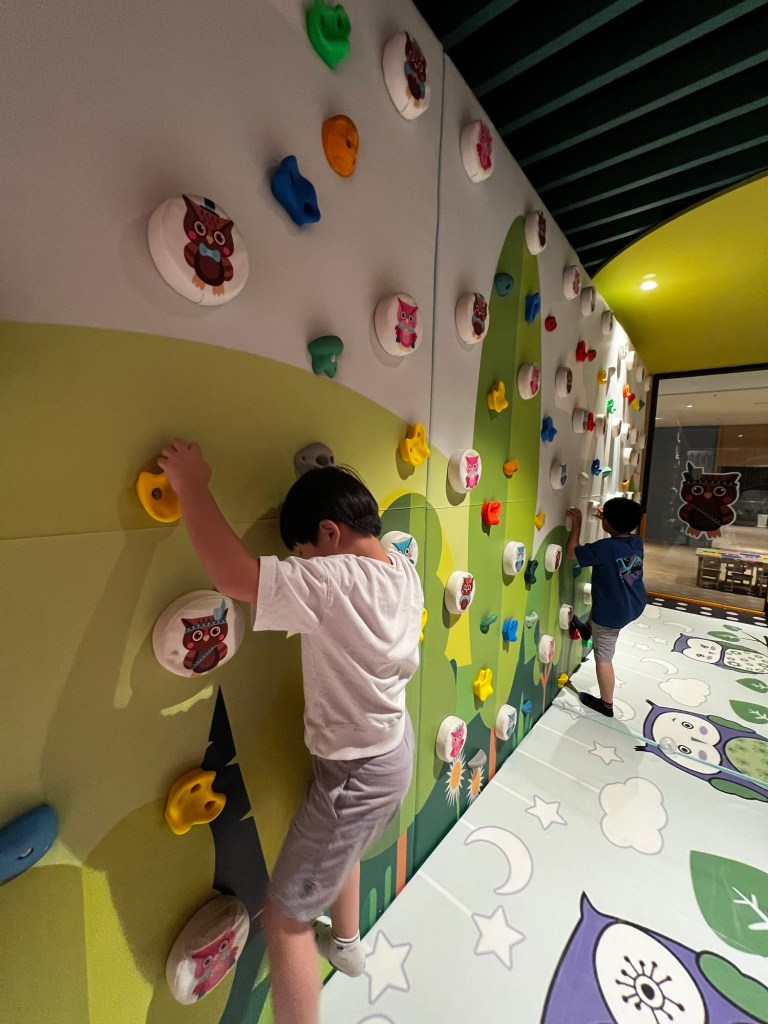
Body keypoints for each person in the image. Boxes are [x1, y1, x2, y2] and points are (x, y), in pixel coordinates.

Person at [157, 439, 423, 1024]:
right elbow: (337, 545)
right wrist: (314, 480)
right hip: (390, 746)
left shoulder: (331, 582)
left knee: (285, 920)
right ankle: (347, 945)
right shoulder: (400, 567)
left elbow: (231, 574)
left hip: (356, 773)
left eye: (303, 553)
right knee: (340, 847)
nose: (302, 564)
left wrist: (192, 485)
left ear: (328, 534)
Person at [565, 498, 646, 718]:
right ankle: (587, 629)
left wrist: (578, 525)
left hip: (612, 614)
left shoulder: (605, 548)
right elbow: (619, 532)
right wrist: (609, 521)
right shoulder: (636, 541)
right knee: (602, 606)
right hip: (634, 602)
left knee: (603, 657)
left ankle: (606, 704)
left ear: (608, 522)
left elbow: (572, 552)